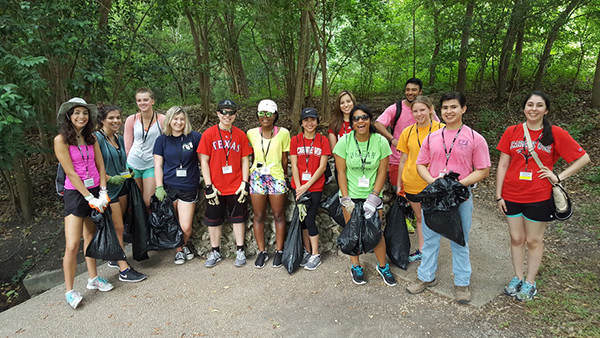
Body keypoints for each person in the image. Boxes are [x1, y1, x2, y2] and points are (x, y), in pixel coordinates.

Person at [496, 91, 590, 301]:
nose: (534, 109)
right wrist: (498, 195)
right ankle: (517, 277)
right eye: (530, 104)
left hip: (538, 195)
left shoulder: (554, 133)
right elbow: (503, 164)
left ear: (546, 110)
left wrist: (558, 176)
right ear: (524, 108)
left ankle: (530, 282)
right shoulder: (512, 131)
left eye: (539, 105)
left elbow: (583, 157)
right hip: (511, 194)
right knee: (516, 238)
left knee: (533, 241)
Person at [406, 92, 491, 303]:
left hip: (459, 196)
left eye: (453, 107)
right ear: (439, 111)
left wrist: (457, 184)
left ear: (463, 109)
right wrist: (435, 182)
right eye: (445, 108)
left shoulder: (474, 138)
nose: (449, 111)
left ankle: (462, 283)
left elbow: (483, 169)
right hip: (435, 195)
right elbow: (420, 164)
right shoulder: (432, 137)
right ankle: (426, 277)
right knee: (430, 238)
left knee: (459, 239)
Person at [54, 98, 114, 309]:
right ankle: (70, 290)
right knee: (72, 244)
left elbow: (100, 165)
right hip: (76, 194)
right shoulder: (61, 140)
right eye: (77, 113)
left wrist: (103, 192)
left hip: (96, 189)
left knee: (91, 235)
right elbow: (70, 171)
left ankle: (93, 278)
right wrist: (89, 197)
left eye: (85, 113)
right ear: (69, 115)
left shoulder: (92, 138)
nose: (81, 116)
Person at [333, 104, 397, 286]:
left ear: (370, 120)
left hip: (372, 196)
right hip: (351, 194)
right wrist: (345, 199)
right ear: (351, 122)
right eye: (356, 118)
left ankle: (382, 266)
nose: (360, 121)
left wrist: (374, 197)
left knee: (376, 232)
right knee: (352, 231)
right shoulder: (344, 142)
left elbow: (382, 172)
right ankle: (356, 266)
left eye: (364, 118)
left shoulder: (380, 142)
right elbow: (341, 172)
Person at [198, 99, 253, 268]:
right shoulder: (209, 134)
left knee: (238, 219)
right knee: (213, 220)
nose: (227, 116)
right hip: (216, 186)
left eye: (231, 113)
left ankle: (240, 250)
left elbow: (245, 160)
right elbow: (204, 161)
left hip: (236, 185)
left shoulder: (240, 135)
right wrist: (208, 186)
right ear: (217, 114)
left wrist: (244, 183)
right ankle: (215, 251)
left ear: (235, 116)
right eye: (224, 112)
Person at [95, 105, 147, 282]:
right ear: (102, 120)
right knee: (116, 226)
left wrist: (127, 172)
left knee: (121, 224)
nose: (116, 121)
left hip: (123, 185)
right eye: (111, 118)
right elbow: (94, 166)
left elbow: (122, 161)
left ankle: (116, 256)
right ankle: (123, 269)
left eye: (118, 117)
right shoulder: (97, 138)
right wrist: (109, 178)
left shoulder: (117, 137)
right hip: (108, 188)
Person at [396, 96, 444, 263]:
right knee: (420, 218)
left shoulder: (442, 129)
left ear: (431, 109)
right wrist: (398, 183)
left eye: (422, 109)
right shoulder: (407, 132)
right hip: (412, 181)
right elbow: (403, 159)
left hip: (434, 183)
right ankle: (423, 251)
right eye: (415, 111)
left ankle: (432, 253)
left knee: (434, 218)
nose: (419, 114)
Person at [153, 106, 202, 265]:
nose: (178, 122)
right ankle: (180, 250)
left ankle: (183, 244)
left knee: (186, 226)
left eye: (181, 119)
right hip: (169, 186)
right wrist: (159, 186)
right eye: (175, 119)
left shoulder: (194, 137)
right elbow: (158, 165)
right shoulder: (161, 140)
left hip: (188, 186)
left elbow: (204, 161)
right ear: (169, 120)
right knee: (172, 223)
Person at [374, 78, 439, 193]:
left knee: (425, 192)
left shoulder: (427, 111)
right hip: (398, 159)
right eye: (408, 90)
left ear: (420, 92)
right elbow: (378, 124)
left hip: (425, 161)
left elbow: (438, 130)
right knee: (401, 191)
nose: (410, 93)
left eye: (414, 90)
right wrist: (392, 139)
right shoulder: (396, 108)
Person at [247, 99, 290, 268]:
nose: (265, 117)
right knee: (259, 216)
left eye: (269, 114)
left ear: (275, 116)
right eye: (261, 113)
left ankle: (279, 251)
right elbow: (249, 155)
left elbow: (285, 158)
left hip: (276, 177)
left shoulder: (284, 133)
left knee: (279, 215)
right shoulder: (251, 133)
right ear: (258, 116)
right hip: (257, 177)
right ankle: (262, 252)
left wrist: (284, 176)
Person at [290, 108, 331, 271]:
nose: (309, 123)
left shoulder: (322, 140)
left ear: (317, 122)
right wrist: (299, 187)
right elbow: (293, 164)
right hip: (298, 186)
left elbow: (322, 167)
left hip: (314, 187)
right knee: (302, 221)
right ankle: (307, 252)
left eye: (312, 120)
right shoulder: (295, 140)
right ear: (301, 123)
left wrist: (307, 186)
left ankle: (316, 254)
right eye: (306, 120)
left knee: (309, 218)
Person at [124, 88, 166, 209]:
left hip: (151, 164)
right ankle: (138, 227)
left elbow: (166, 142)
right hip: (133, 163)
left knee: (148, 201)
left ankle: (149, 226)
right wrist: (126, 168)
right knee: (135, 200)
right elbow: (127, 146)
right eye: (139, 100)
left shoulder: (162, 120)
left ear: (152, 101)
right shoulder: (131, 120)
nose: (142, 103)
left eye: (145, 100)